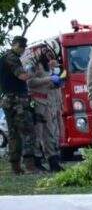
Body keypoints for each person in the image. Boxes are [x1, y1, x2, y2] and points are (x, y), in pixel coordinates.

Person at [1, 36, 36, 174]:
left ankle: (16, 167)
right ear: (15, 45)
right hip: (16, 101)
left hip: (9, 100)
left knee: (13, 134)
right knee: (27, 131)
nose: (22, 49)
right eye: (21, 46)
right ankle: (29, 165)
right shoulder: (12, 58)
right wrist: (31, 69)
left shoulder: (5, 57)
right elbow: (23, 76)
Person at [27, 47, 65, 172]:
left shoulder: (47, 66)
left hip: (48, 103)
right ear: (43, 53)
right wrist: (49, 79)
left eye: (52, 55)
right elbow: (30, 82)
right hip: (37, 102)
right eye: (48, 54)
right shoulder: (33, 65)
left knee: (50, 133)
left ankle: (53, 162)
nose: (50, 58)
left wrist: (57, 83)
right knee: (37, 133)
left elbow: (47, 85)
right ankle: (36, 162)